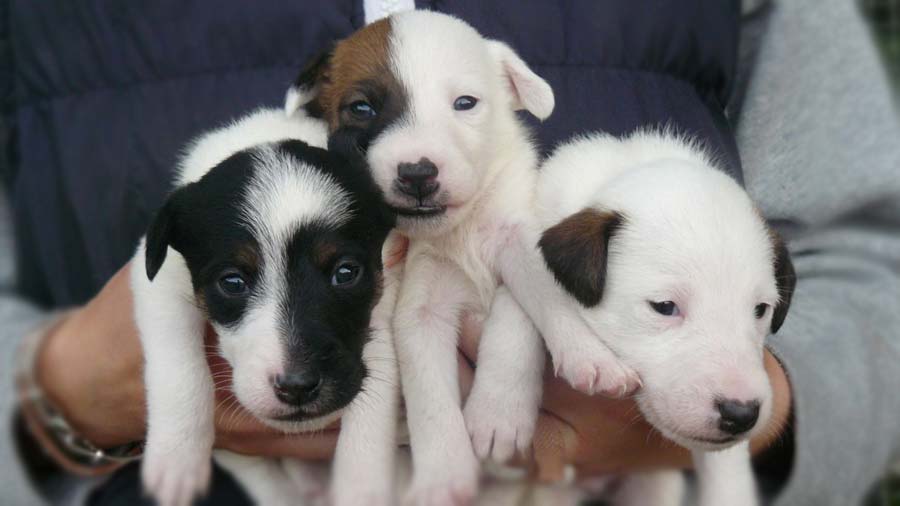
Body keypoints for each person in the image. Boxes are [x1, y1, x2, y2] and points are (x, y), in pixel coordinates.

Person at [2, 1, 898, 505]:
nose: (419, 157)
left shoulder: (535, 203)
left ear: (509, 91)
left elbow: (870, 252)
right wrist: (56, 394)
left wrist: (766, 405)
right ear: (316, 105)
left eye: (466, 105)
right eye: (364, 113)